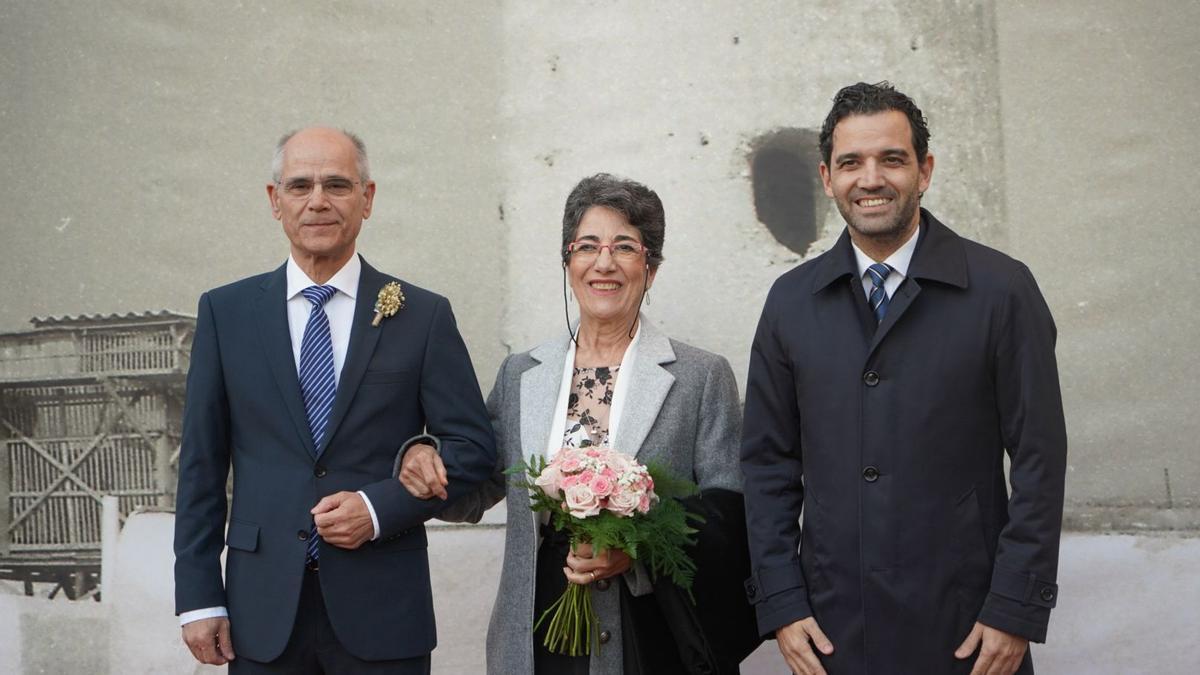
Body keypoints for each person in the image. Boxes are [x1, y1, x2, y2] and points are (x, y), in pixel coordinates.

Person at [740, 82, 1068, 675]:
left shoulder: (1002, 290)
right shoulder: (790, 302)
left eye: (892, 158)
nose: (871, 179)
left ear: (925, 170)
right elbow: (767, 463)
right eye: (851, 163)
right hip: (833, 631)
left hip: (968, 631)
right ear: (826, 177)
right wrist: (783, 603)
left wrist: (1014, 609)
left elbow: (1040, 460)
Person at [173, 127, 497, 673]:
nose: (318, 200)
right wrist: (199, 597)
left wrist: (377, 509)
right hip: (260, 613)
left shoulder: (423, 315)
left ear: (367, 199)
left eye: (337, 185)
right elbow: (201, 468)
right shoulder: (225, 314)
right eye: (300, 185)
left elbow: (472, 451)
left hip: (385, 610)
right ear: (275, 202)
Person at [399, 173, 752, 674]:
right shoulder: (523, 374)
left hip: (647, 637)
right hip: (538, 630)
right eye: (587, 246)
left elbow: (729, 512)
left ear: (650, 269)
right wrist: (423, 455)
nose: (604, 262)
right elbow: (473, 491)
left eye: (625, 247)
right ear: (568, 262)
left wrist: (639, 549)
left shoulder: (700, 375)